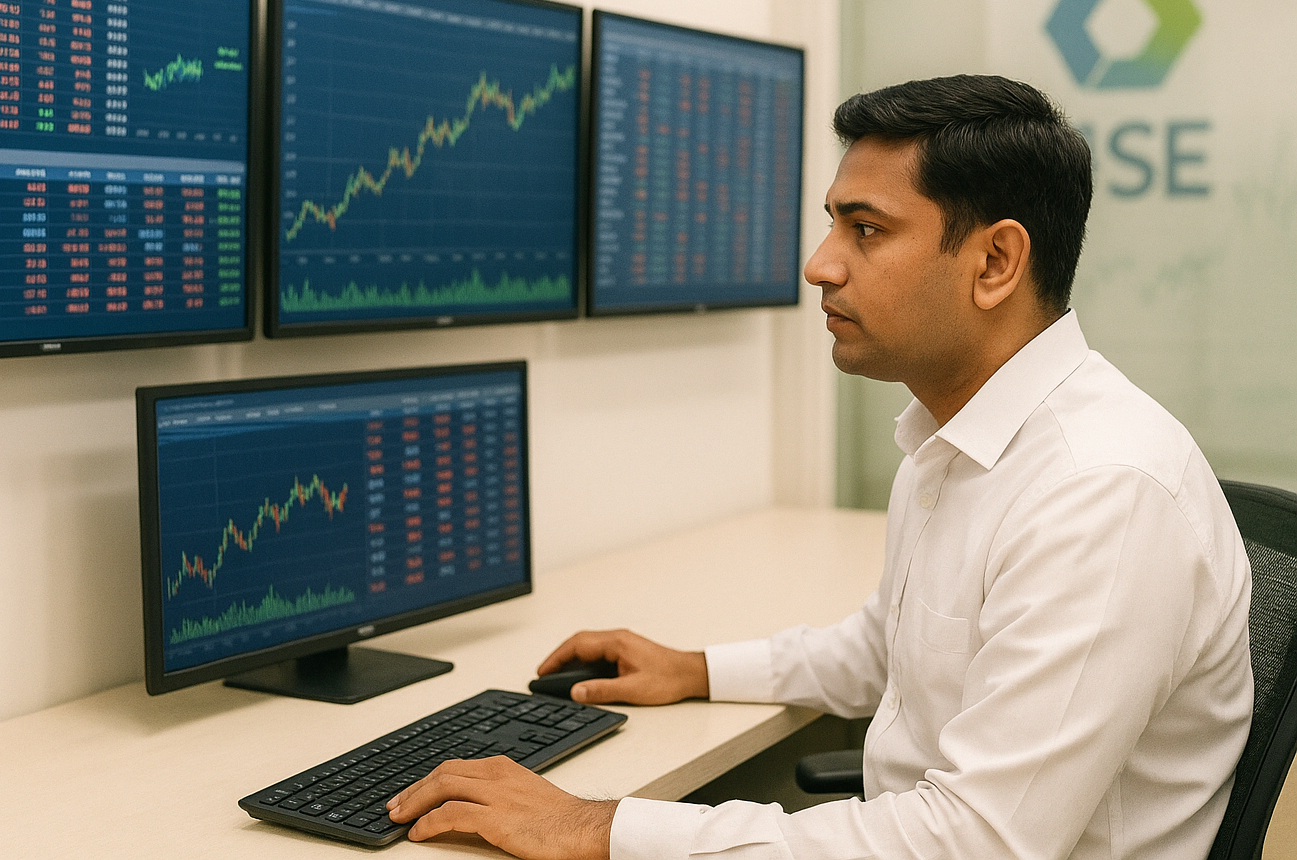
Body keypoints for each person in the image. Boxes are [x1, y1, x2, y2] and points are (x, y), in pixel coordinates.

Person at [385, 74, 1253, 860]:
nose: (819, 264)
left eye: (865, 229)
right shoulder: (958, 435)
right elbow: (892, 648)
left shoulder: (1099, 490)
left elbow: (978, 843)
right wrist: (695, 669)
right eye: (834, 221)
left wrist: (597, 824)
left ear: (996, 263)